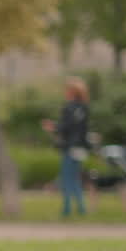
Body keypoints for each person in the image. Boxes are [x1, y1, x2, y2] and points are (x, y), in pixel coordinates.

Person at [41, 77, 90, 217]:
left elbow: (65, 127)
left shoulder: (68, 107)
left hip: (69, 147)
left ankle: (66, 209)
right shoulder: (84, 108)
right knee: (75, 178)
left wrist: (53, 127)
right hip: (80, 148)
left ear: (71, 92)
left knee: (67, 178)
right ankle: (81, 208)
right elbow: (82, 129)